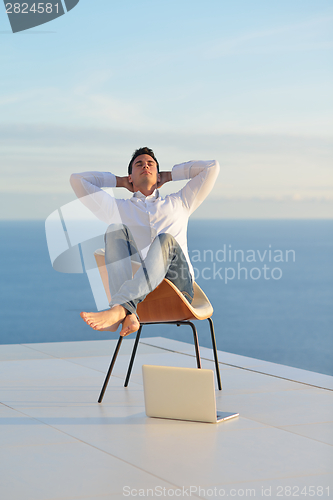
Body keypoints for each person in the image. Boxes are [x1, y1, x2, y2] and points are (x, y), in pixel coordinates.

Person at [70, 147, 220, 337]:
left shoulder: (180, 201)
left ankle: (119, 308)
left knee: (165, 240)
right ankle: (127, 312)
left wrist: (170, 175)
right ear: (130, 177)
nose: (145, 166)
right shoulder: (118, 208)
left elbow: (212, 167)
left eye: (151, 164)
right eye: (138, 164)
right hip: (143, 296)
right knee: (114, 230)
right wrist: (119, 181)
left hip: (178, 289)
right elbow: (77, 180)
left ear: (158, 175)